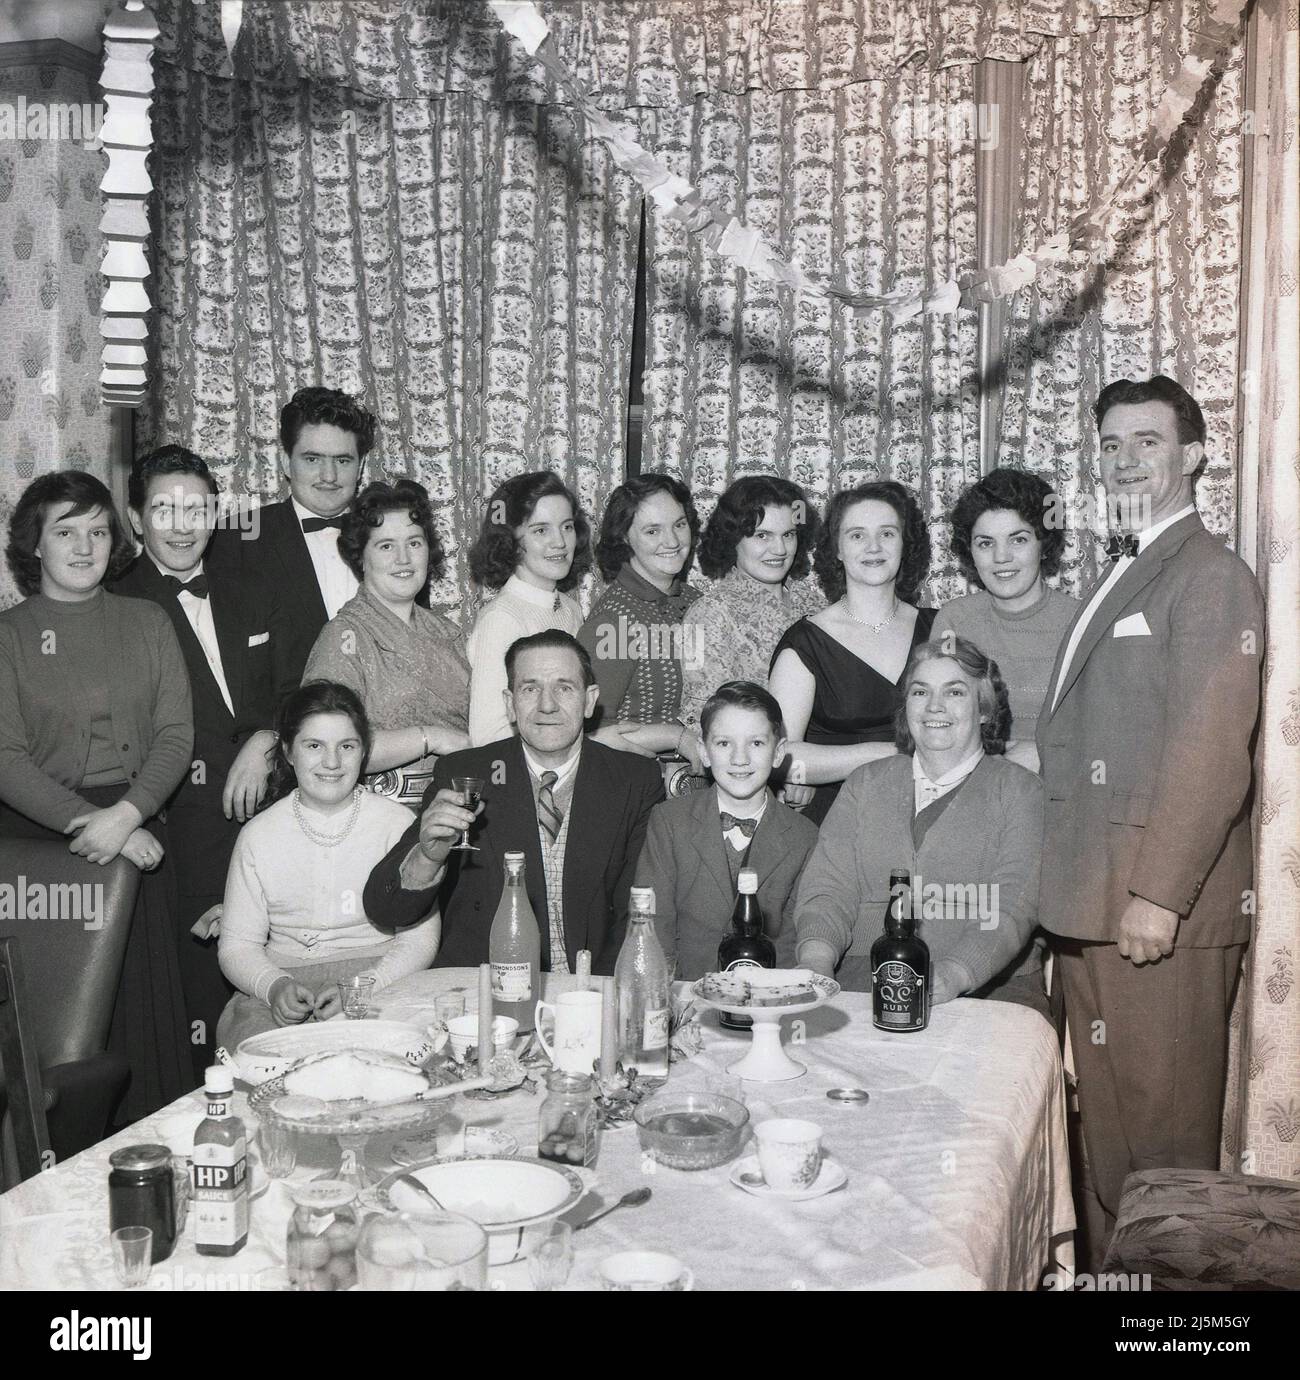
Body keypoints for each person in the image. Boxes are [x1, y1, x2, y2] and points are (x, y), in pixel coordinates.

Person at [1037, 376, 1264, 1269]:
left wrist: (1158, 896)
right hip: (1094, 910)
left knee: (1163, 1170)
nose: (1125, 460)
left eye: (1147, 442)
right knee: (1112, 1155)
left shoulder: (1210, 577)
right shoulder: (1124, 568)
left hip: (1150, 917)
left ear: (1194, 456)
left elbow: (1213, 754)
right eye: (1110, 445)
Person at [0, 471, 193, 1121]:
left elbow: (175, 734)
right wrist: (93, 822)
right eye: (65, 532)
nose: (84, 547)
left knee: (147, 1028)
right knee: (67, 1042)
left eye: (98, 531)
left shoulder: (148, 620)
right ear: (35, 546)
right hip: (43, 852)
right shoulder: (9, 636)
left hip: (138, 836)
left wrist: (130, 814)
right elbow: (4, 758)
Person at [112, 446, 297, 1078]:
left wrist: (266, 738)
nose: (183, 521)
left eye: (196, 506)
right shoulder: (117, 603)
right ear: (136, 519)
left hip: (271, 825)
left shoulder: (251, 586)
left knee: (279, 1016)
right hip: (180, 840)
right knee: (202, 1026)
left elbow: (295, 689)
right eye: (164, 507)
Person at [364, 631, 665, 975]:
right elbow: (385, 909)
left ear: (589, 700)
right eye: (530, 689)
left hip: (591, 990)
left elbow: (638, 910)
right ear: (510, 703)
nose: (547, 705)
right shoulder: (465, 774)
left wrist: (596, 999)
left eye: (564, 687)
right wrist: (428, 857)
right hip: (486, 990)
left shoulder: (634, 780)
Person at [794, 637, 1047, 1016]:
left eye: (955, 692)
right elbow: (829, 888)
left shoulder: (1021, 790)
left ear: (983, 709)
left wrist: (955, 974)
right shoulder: (865, 783)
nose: (934, 706)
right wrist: (816, 963)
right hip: (863, 982)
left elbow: (1013, 904)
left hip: (989, 991)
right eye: (920, 691)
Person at [216, 681, 439, 1048]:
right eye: (314, 746)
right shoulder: (258, 835)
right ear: (288, 752)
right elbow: (238, 946)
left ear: (364, 750)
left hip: (381, 976)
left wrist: (366, 985)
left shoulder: (398, 825)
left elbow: (419, 940)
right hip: (281, 981)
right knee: (263, 1063)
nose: (332, 762)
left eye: (346, 746)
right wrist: (275, 987)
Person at [769, 482, 936, 824]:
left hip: (928, 808)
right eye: (857, 535)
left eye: (887, 534)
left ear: (905, 544)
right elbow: (780, 757)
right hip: (839, 815)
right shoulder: (805, 642)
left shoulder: (939, 627)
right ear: (838, 549)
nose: (874, 547)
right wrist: (888, 753)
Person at [303, 479, 470, 809]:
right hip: (378, 818)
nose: (404, 559)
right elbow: (328, 746)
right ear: (361, 558)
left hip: (456, 810)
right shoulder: (344, 636)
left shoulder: (450, 633)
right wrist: (431, 737)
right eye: (386, 546)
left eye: (414, 543)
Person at [635, 682, 819, 981]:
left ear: (778, 753)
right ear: (703, 752)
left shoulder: (804, 836)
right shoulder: (669, 822)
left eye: (756, 743)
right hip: (687, 996)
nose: (740, 758)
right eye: (724, 743)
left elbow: (791, 941)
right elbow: (655, 926)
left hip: (765, 1002)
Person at [224, 386, 377, 682]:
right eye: (312, 459)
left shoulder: (394, 539)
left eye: (342, 460)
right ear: (285, 463)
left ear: (360, 467)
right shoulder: (238, 539)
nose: (329, 476)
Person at [932, 468, 1077, 771]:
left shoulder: (1082, 621)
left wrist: (1045, 754)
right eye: (985, 543)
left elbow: (1107, 728)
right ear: (970, 551)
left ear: (1043, 543)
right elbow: (938, 724)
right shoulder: (955, 620)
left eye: (1018, 540)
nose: (1001, 557)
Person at [577, 472, 704, 772]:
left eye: (679, 525)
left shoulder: (698, 601)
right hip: (640, 782)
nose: (671, 541)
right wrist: (679, 738)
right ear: (624, 537)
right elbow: (591, 734)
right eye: (652, 531)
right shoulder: (613, 622)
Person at [678, 477, 822, 732]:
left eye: (788, 534)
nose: (779, 549)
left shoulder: (814, 603)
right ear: (732, 539)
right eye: (762, 535)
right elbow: (701, 720)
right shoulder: (707, 614)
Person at [465, 471, 589, 748]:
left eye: (567, 527)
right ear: (510, 540)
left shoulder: (570, 609)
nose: (559, 542)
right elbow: (488, 737)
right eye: (541, 530)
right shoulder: (502, 619)